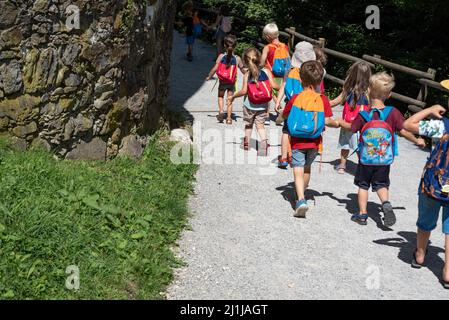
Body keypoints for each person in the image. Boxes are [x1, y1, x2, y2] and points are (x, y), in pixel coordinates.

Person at [340, 72, 425, 227]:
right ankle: (385, 202)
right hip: (384, 159)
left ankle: (362, 214)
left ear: (369, 91)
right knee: (381, 184)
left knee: (363, 185)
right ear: (389, 94)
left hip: (366, 159)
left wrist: (338, 122)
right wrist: (417, 139)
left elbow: (351, 128)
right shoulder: (393, 113)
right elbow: (404, 130)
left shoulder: (364, 115)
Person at [282, 61, 341, 218]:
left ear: (301, 79)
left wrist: (280, 119)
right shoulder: (322, 99)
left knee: (298, 169)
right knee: (307, 167)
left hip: (297, 141)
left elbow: (285, 116)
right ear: (320, 80)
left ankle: (300, 199)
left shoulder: (296, 98)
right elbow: (328, 121)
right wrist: (338, 124)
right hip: (314, 143)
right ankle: (303, 192)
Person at [403, 98, 449, 289]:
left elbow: (407, 125)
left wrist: (429, 109)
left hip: (433, 184)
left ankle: (420, 255)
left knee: (425, 220)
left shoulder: (440, 125)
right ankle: (448, 271)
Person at [228, 47, 280, 156]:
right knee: (260, 126)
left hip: (249, 106)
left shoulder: (247, 74)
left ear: (246, 62)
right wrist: (284, 87)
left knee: (248, 124)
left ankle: (246, 143)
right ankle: (264, 145)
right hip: (263, 106)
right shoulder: (266, 71)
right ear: (259, 58)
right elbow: (274, 86)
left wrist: (233, 96)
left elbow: (243, 91)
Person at [274, 41, 316, 169]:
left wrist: (277, 100)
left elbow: (284, 85)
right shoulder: (312, 73)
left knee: (286, 130)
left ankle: (284, 158)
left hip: (291, 103)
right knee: (300, 128)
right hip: (308, 104)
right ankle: (297, 155)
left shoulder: (289, 70)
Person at [330, 61, 372, 174]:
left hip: (346, 122)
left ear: (352, 74)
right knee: (360, 146)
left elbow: (336, 101)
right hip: (362, 124)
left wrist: (322, 104)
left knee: (345, 144)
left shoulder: (348, 88)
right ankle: (363, 167)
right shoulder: (369, 91)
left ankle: (343, 165)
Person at [206, 35, 245, 124]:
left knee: (220, 96)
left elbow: (215, 68)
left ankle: (221, 112)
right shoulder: (237, 58)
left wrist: (209, 76)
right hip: (231, 82)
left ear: (224, 45)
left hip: (222, 81)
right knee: (229, 99)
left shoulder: (220, 56)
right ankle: (229, 118)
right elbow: (243, 70)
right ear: (236, 46)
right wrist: (248, 73)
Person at [260, 23, 291, 126]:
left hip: (271, 74)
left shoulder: (267, 47)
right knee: (278, 95)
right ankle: (280, 112)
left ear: (268, 36)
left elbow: (262, 61)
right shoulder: (285, 46)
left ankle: (267, 116)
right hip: (283, 76)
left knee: (269, 94)